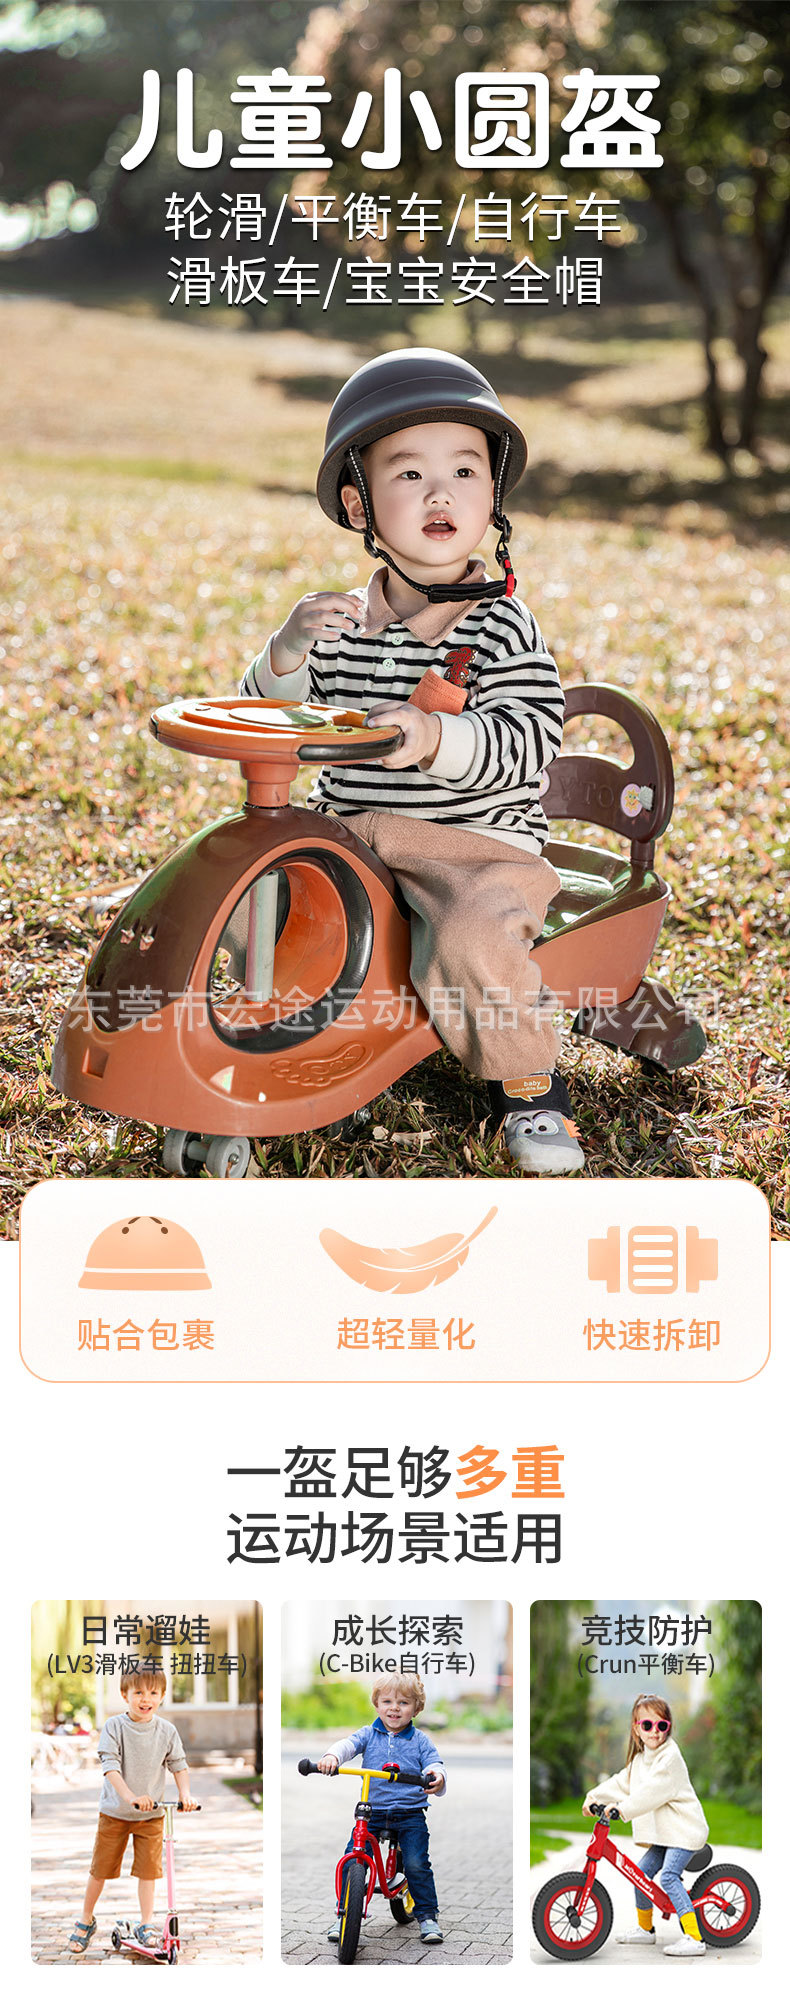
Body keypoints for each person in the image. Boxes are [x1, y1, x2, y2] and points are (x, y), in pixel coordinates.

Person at [240, 347, 584, 1173]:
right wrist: (286, 650)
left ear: (493, 496)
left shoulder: (503, 627)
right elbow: (268, 716)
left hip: (473, 845)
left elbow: (530, 740)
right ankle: (306, 1039)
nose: (441, 494)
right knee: (264, 894)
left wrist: (435, 738)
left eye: (465, 470)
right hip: (354, 833)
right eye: (409, 473)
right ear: (358, 503)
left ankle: (528, 1085)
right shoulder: (339, 624)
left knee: (470, 935)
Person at [68, 1665, 199, 1956]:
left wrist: (185, 1794)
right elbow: (110, 1767)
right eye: (138, 1692)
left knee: (148, 1872)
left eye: (153, 1692)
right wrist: (130, 1797)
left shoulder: (166, 1731)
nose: (145, 1698)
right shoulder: (114, 1727)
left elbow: (178, 1764)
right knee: (100, 1870)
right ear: (124, 1694)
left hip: (151, 1816)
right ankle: (86, 1919)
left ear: (162, 1696)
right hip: (115, 1812)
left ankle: (146, 1923)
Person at [318, 1672, 447, 1945]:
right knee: (353, 1858)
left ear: (416, 1708)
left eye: (403, 1703)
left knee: (416, 1863)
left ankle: (427, 1916)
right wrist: (332, 1756)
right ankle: (343, 1914)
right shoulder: (368, 1734)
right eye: (387, 1701)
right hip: (373, 1812)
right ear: (376, 1705)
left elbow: (434, 1763)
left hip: (410, 1812)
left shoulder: (420, 1740)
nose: (394, 1708)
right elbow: (347, 1745)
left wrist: (436, 1776)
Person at [582, 1693, 709, 1958]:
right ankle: (645, 1929)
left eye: (661, 1725)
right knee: (639, 1874)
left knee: (669, 1877)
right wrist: (594, 1796)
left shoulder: (670, 1758)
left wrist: (622, 1809)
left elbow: (650, 1793)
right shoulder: (641, 1760)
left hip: (684, 1831)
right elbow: (621, 1783)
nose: (655, 1731)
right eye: (647, 1725)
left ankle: (695, 1938)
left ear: (668, 1727)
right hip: (666, 1835)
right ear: (636, 1729)